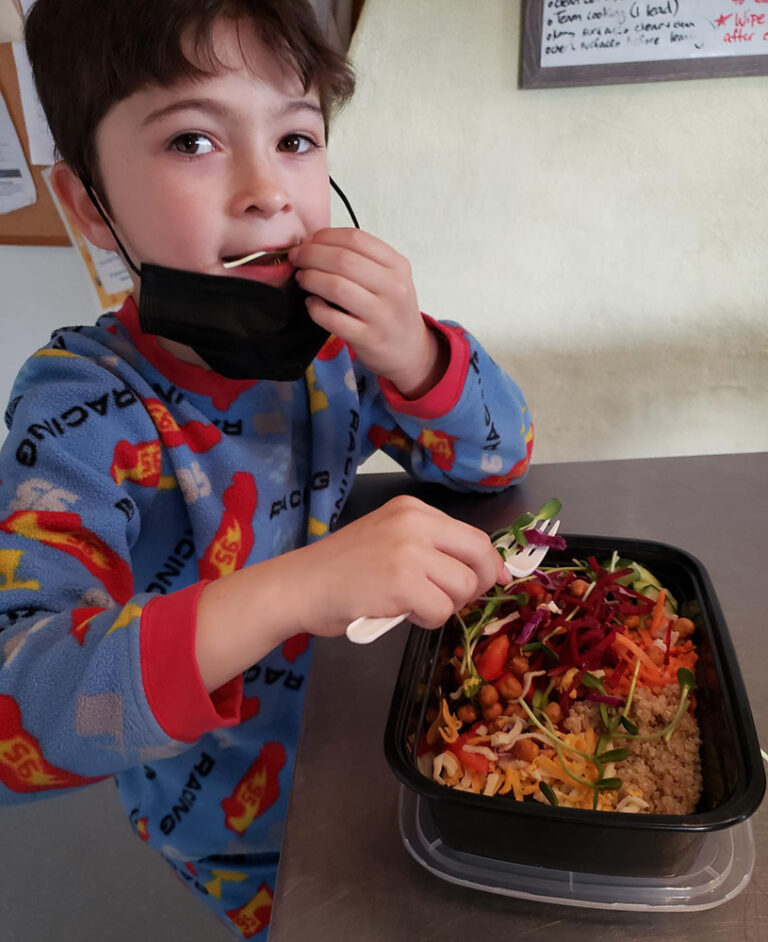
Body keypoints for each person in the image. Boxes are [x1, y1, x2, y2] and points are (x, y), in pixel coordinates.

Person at [1, 0, 533, 936]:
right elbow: (19, 712)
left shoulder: (333, 346)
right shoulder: (81, 405)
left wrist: (415, 355)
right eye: (193, 141)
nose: (266, 191)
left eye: (295, 138)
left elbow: (499, 459)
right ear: (88, 204)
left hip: (387, 754)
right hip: (235, 830)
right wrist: (299, 587)